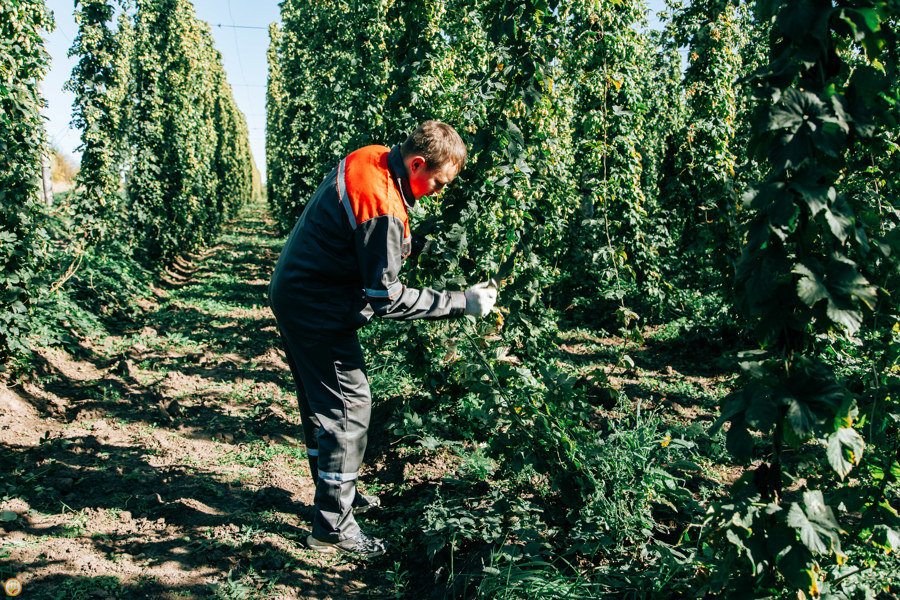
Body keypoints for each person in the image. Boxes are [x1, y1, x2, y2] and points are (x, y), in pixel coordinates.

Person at [268, 121, 497, 558]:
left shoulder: (374, 158)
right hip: (317, 309)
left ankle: (336, 499)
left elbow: (369, 241)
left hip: (296, 293)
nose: (438, 191)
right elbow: (386, 297)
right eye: (438, 181)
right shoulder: (382, 205)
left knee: (324, 409)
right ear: (416, 164)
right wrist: (461, 303)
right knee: (349, 409)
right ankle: (332, 529)